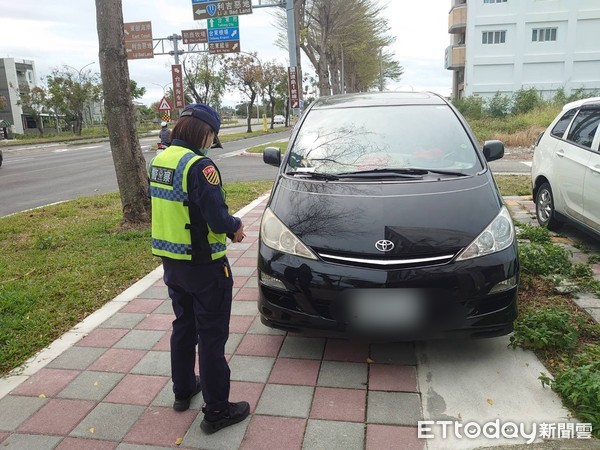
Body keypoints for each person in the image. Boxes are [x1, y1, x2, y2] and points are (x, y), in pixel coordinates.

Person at [148, 103, 249, 434]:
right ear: (204, 132)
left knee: (184, 326)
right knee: (211, 335)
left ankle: (183, 389)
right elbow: (217, 219)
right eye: (212, 136)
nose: (211, 142)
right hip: (205, 266)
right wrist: (236, 226)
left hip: (172, 262)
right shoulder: (200, 166)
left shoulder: (161, 160)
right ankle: (217, 410)